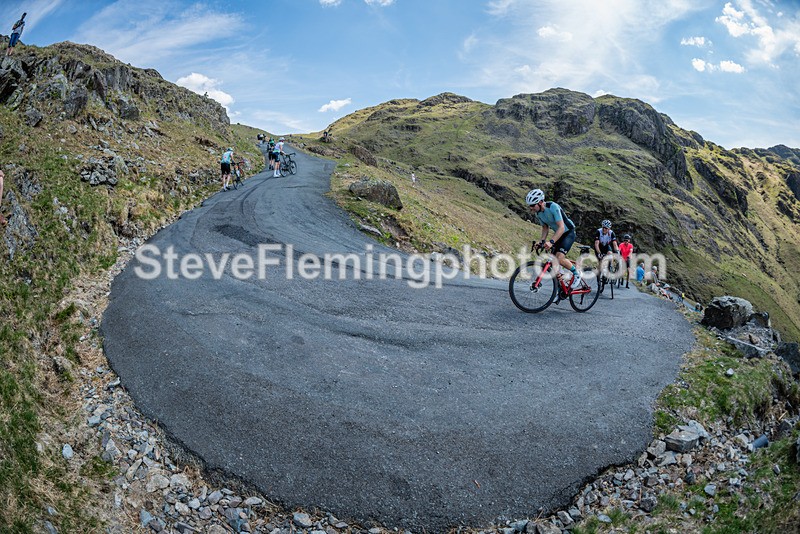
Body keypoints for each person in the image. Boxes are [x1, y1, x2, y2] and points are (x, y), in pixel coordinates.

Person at [525, 188, 582, 289]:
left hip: (568, 232)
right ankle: (561, 288)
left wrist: (551, 242)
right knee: (553, 261)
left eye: (533, 205)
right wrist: (542, 241)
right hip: (559, 234)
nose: (531, 208)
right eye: (530, 206)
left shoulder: (553, 207)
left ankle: (576, 274)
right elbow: (545, 227)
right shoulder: (539, 213)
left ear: (541, 202)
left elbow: (561, 227)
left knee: (559, 258)